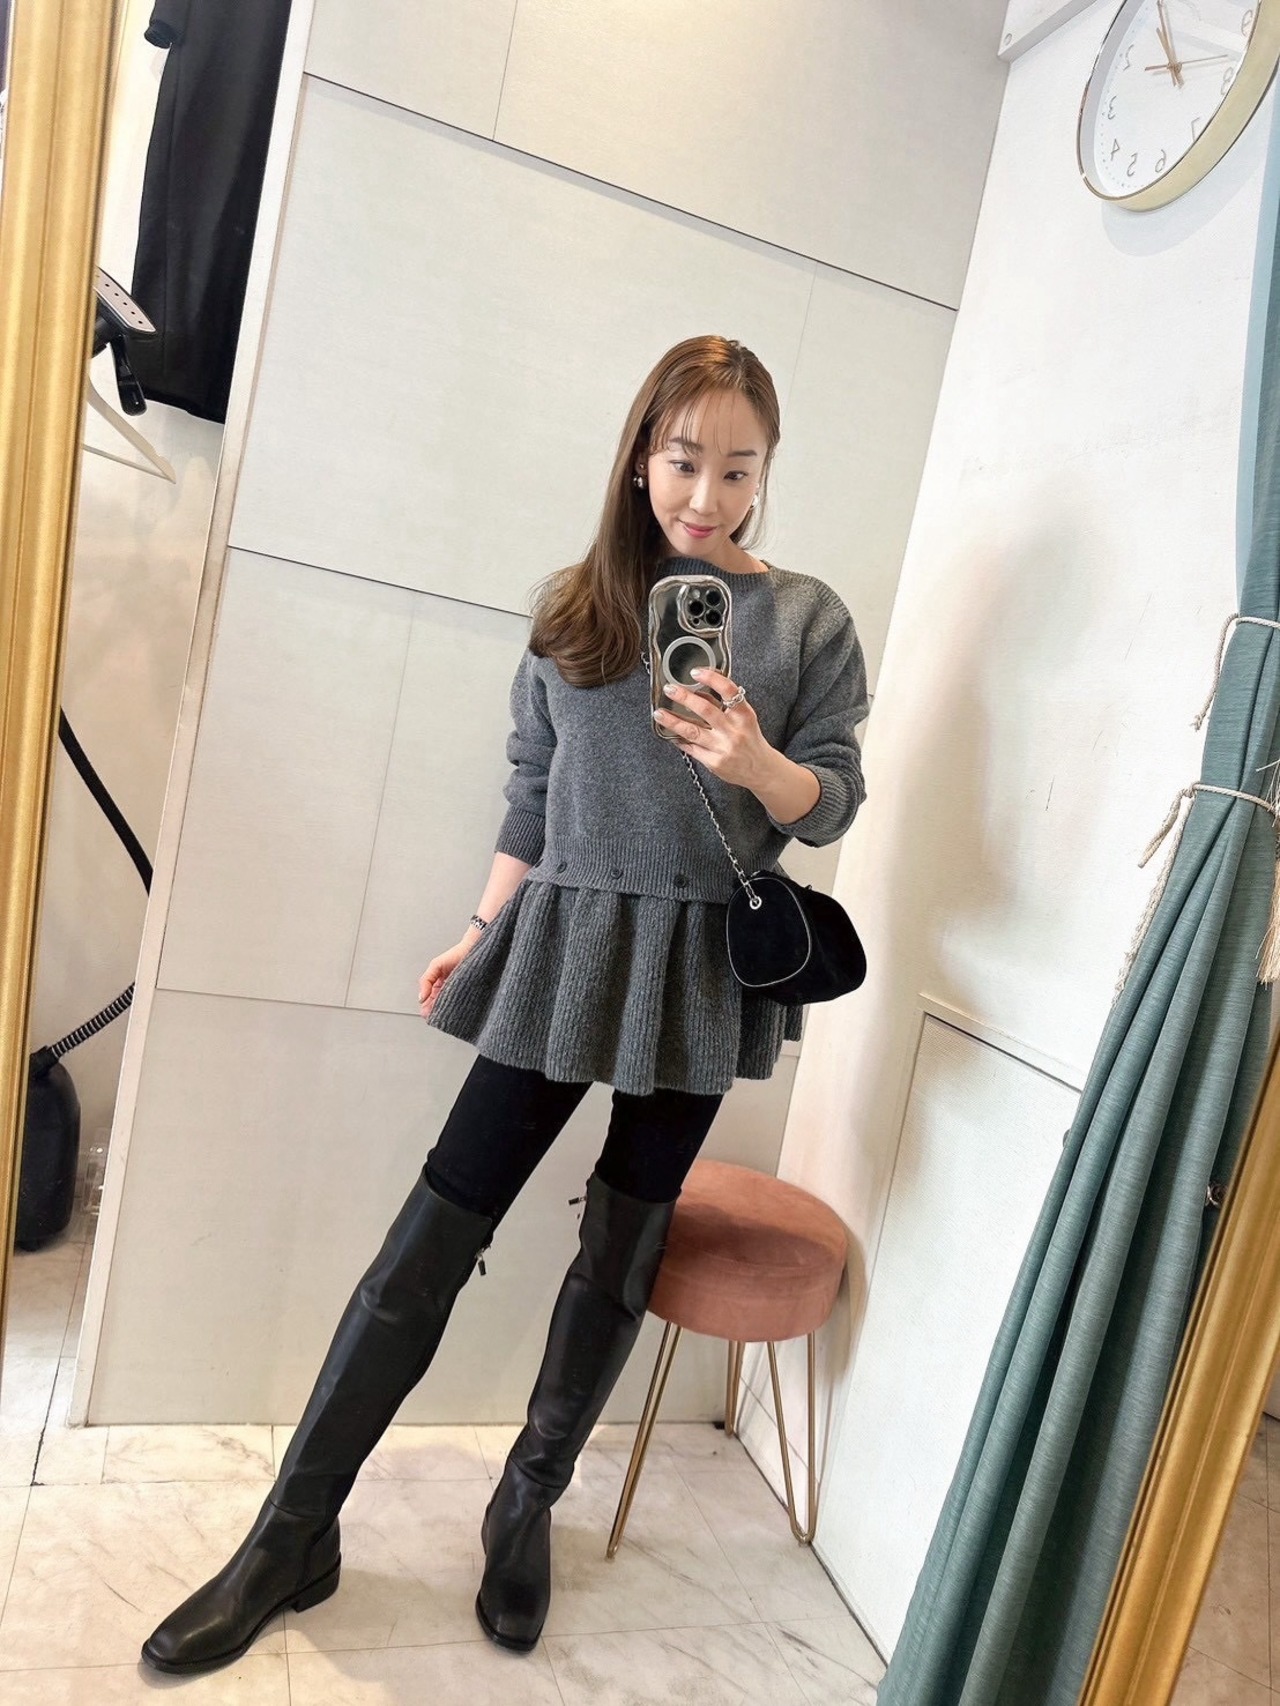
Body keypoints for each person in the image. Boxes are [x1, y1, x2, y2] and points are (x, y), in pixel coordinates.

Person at [139, 333, 869, 1675]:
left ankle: (523, 1504)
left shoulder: (807, 621)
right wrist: (478, 931)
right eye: (684, 460)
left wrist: (757, 759)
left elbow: (832, 801)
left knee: (621, 1249)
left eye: (738, 468)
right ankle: (289, 1535)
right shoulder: (576, 609)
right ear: (640, 457)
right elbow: (532, 798)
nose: (706, 494)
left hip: (700, 973)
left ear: (767, 473)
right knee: (434, 1227)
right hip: (565, 944)